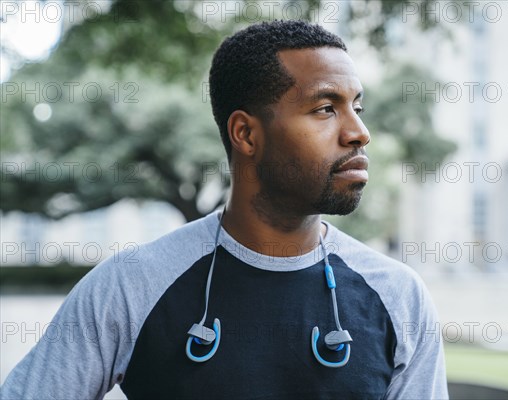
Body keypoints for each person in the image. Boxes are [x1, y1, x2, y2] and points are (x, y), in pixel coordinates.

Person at [1, 20, 448, 399]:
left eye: (358, 107)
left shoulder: (399, 298)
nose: (359, 132)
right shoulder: (128, 288)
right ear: (246, 134)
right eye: (326, 108)